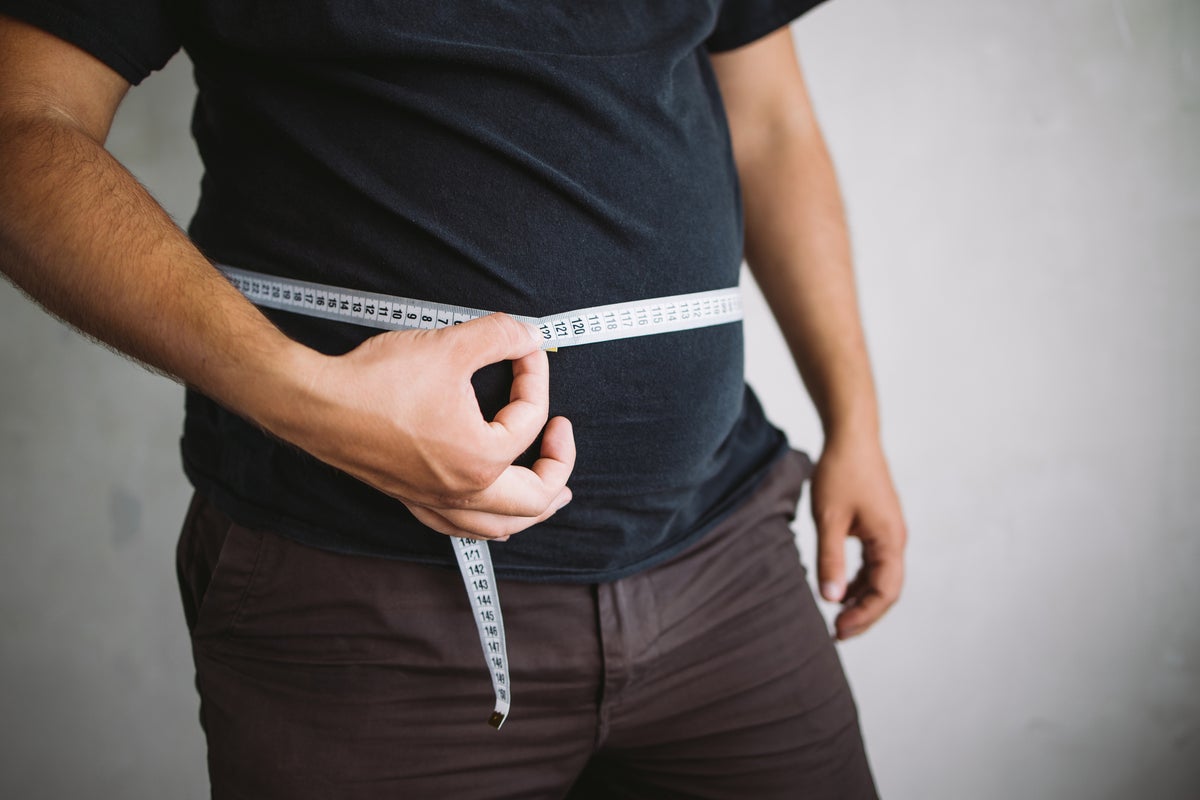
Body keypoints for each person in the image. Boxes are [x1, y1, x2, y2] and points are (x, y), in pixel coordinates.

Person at [0, 1, 906, 797]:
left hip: (727, 556)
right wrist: (312, 401)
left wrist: (855, 423)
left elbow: (770, 122)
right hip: (355, 600)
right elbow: (21, 123)